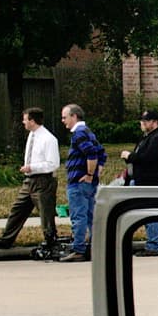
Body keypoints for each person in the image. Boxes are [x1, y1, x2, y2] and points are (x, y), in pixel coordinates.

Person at [0, 108, 60, 252]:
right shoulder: (31, 135)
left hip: (43, 181)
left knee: (45, 213)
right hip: (29, 181)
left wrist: (32, 167)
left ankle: (50, 240)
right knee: (17, 209)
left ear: (32, 120)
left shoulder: (48, 139)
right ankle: (5, 240)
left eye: (25, 119)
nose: (23, 122)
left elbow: (53, 164)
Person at [58, 104, 105, 263]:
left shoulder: (79, 134)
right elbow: (101, 152)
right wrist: (98, 170)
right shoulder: (88, 132)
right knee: (91, 216)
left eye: (65, 117)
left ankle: (78, 249)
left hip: (79, 183)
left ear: (74, 116)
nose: (63, 120)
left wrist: (90, 175)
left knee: (78, 216)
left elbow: (91, 153)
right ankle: (94, 248)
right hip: (87, 185)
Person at [121, 109, 158, 256]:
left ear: (155, 122)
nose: (142, 123)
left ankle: (154, 245)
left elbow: (148, 158)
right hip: (143, 179)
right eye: (142, 121)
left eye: (146, 121)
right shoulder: (146, 138)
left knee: (151, 213)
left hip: (152, 180)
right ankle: (153, 242)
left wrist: (130, 156)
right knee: (146, 213)